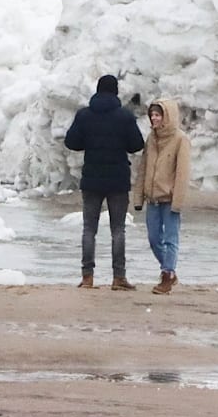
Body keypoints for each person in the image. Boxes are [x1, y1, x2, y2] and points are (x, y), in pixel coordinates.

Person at [64, 74, 145, 291]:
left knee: (89, 228)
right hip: (118, 179)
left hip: (92, 178)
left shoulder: (85, 115)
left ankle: (87, 276)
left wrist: (89, 141)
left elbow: (71, 142)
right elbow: (136, 145)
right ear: (116, 92)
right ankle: (119, 278)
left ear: (97, 91)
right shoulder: (124, 117)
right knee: (118, 229)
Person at [133, 98, 191, 295]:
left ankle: (167, 274)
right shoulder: (152, 138)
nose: (154, 118)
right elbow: (144, 168)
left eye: (158, 115)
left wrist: (178, 200)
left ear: (167, 117)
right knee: (153, 238)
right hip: (153, 198)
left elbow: (182, 173)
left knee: (170, 238)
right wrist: (138, 197)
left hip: (169, 198)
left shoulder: (180, 139)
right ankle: (170, 271)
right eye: (152, 115)